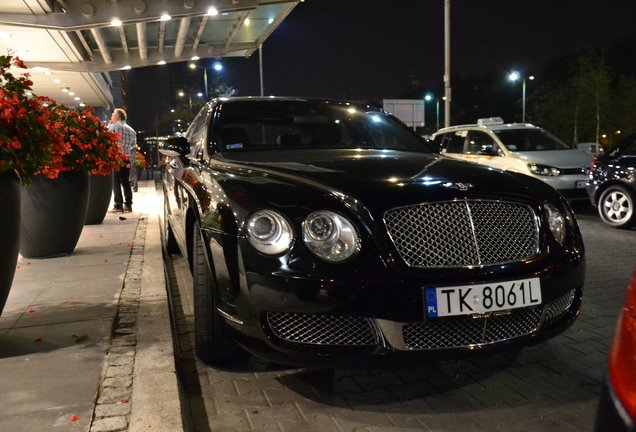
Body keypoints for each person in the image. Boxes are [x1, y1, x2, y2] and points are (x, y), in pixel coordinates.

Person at [108, 108, 137, 213]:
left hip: (116, 158)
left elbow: (106, 136)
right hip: (126, 158)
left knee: (116, 182)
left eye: (113, 114)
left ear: (117, 116)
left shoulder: (114, 126)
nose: (111, 116)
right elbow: (133, 145)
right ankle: (128, 205)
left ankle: (118, 205)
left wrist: (109, 124)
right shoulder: (131, 130)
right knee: (126, 182)